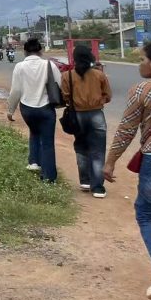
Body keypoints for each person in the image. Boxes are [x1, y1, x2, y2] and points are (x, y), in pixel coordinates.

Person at [103, 40, 151, 300]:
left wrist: (110, 162)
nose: (139, 64)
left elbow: (126, 131)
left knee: (148, 216)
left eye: (142, 60)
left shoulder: (142, 90)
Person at [7, 38, 61, 183]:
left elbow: (16, 91)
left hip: (27, 108)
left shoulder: (19, 67)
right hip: (46, 108)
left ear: (25, 51)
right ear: (40, 51)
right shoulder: (49, 65)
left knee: (34, 131)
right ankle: (48, 177)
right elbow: (59, 84)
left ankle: (34, 162)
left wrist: (10, 110)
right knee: (48, 142)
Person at [61, 45, 112, 198]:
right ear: (91, 58)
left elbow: (65, 96)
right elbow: (108, 96)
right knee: (97, 151)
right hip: (97, 114)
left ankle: (85, 181)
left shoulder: (66, 76)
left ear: (74, 59)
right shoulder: (99, 75)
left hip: (77, 116)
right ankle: (97, 187)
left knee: (81, 147)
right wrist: (97, 101)